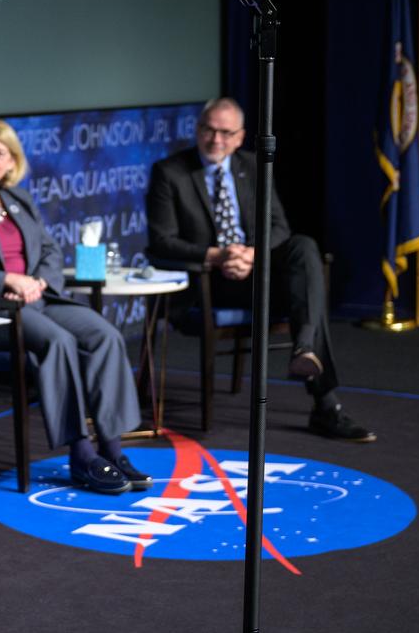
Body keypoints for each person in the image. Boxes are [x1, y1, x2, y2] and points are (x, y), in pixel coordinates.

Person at [0, 118, 150, 496]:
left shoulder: (19, 199)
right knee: (58, 341)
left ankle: (113, 449)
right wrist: (7, 280)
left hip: (38, 299)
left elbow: (48, 249)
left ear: (12, 161)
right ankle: (81, 454)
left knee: (105, 335)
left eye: (0, 152)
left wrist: (40, 283)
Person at [146, 96, 376, 442]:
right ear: (197, 130)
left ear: (240, 137)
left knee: (304, 248)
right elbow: (162, 241)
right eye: (209, 130)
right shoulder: (170, 172)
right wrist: (219, 255)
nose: (216, 139)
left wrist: (251, 254)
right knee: (308, 296)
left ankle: (304, 352)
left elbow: (279, 227)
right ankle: (325, 402)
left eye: (226, 132)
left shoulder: (253, 166)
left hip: (257, 273)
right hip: (207, 282)